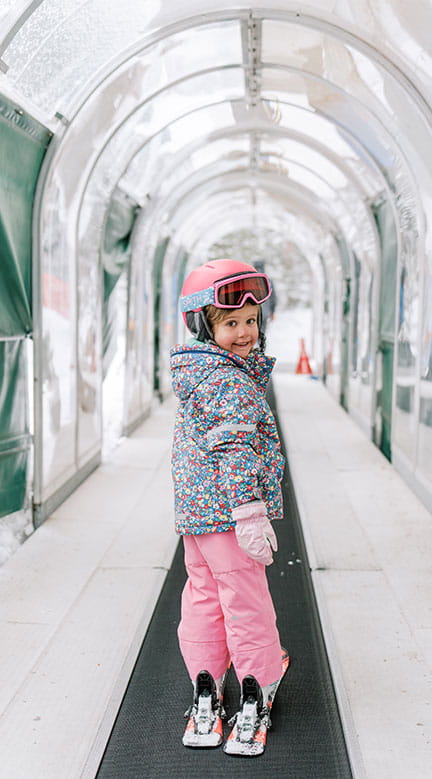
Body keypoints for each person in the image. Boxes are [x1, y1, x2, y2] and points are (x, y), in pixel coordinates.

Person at [170, 258, 289, 755]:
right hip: (228, 515)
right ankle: (255, 693)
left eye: (251, 320)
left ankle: (204, 688)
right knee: (247, 603)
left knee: (202, 594)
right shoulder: (230, 382)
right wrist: (250, 513)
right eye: (230, 322)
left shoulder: (197, 371)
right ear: (205, 325)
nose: (245, 332)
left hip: (197, 517)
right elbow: (235, 451)